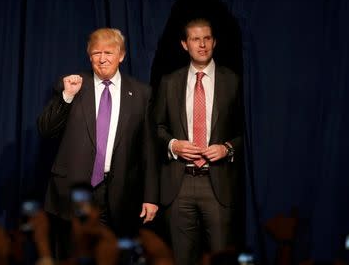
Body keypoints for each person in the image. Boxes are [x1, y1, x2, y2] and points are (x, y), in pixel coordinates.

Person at [37, 28, 159, 259]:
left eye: (108, 52)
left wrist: (151, 196)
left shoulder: (142, 94)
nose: (102, 59)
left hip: (119, 195)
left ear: (121, 55)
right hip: (74, 194)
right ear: (88, 55)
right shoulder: (73, 86)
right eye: (96, 53)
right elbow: (46, 130)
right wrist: (67, 96)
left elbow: (149, 150)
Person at [153, 18, 244, 265]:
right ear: (185, 44)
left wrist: (227, 148)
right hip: (178, 184)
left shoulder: (233, 81)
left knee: (222, 258)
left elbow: (246, 132)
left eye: (206, 38)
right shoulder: (169, 82)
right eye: (195, 39)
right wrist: (173, 145)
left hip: (219, 185)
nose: (202, 45)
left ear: (214, 42)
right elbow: (157, 128)